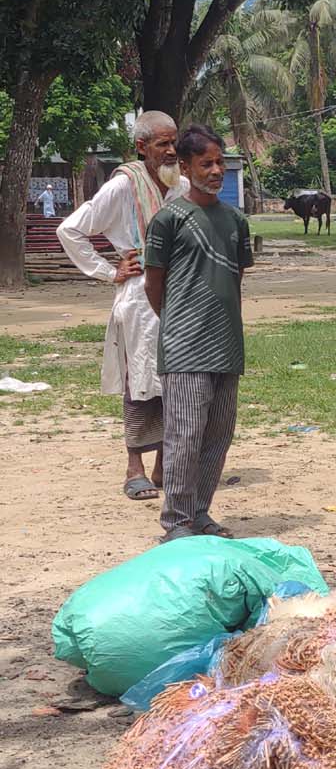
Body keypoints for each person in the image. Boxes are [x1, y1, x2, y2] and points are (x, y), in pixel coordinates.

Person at [57, 111, 186, 501]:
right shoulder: (123, 187)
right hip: (139, 298)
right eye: (162, 144)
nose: (170, 150)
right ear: (141, 147)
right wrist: (108, 270)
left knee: (176, 381)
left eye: (173, 142)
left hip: (178, 295)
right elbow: (71, 229)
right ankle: (135, 468)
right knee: (140, 380)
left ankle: (166, 464)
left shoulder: (179, 185)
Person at [143, 125, 253, 542]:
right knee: (184, 435)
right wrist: (177, 325)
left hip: (226, 345)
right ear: (185, 167)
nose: (215, 171)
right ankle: (176, 521)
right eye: (205, 163)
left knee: (217, 434)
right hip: (185, 347)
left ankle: (200, 512)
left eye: (219, 163)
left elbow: (235, 280)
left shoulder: (235, 222)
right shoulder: (168, 220)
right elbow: (155, 284)